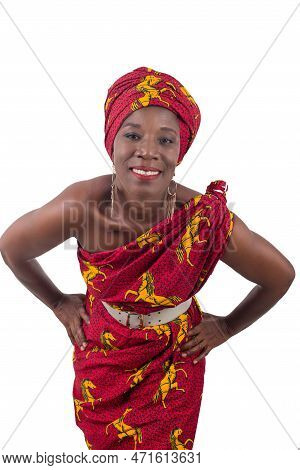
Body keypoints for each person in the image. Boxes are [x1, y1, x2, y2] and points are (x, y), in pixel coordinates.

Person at [0, 66, 295, 451]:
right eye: (133, 134)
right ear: (112, 140)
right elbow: (13, 247)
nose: (149, 151)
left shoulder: (203, 217)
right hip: (103, 358)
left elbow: (280, 275)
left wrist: (225, 328)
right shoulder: (84, 205)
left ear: (180, 151)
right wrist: (57, 302)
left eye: (166, 140)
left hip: (174, 361)